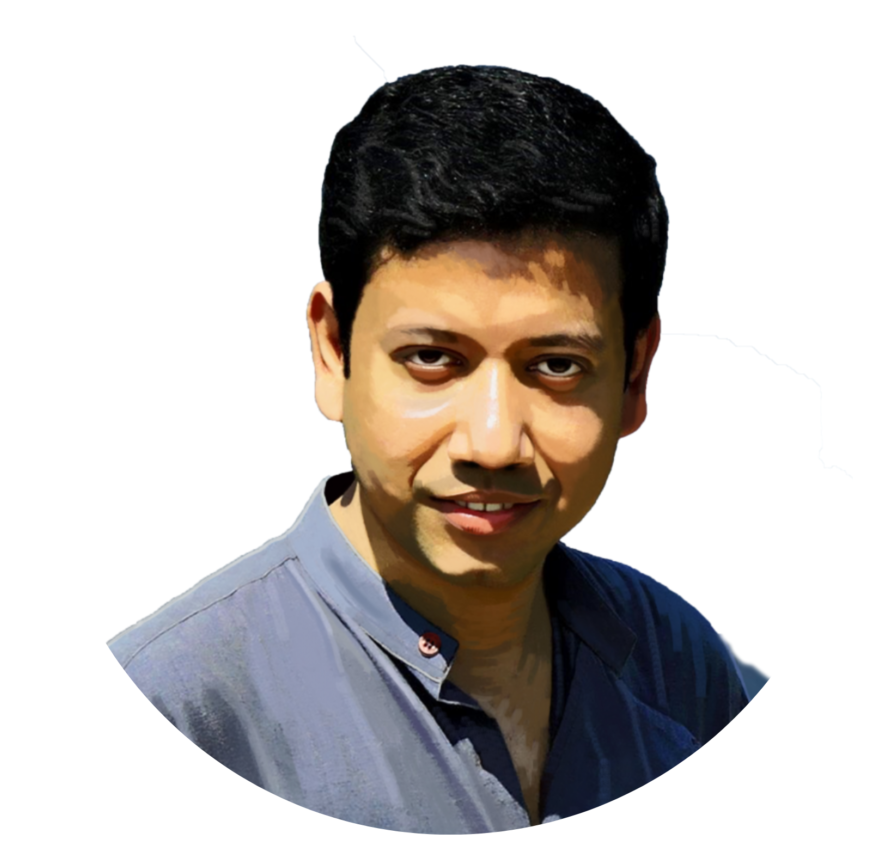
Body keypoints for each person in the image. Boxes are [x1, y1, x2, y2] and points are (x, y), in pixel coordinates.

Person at [109, 65, 750, 833]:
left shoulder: (678, 663)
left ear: (634, 375)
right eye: (432, 359)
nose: (493, 443)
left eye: (556, 366)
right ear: (332, 350)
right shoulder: (177, 709)